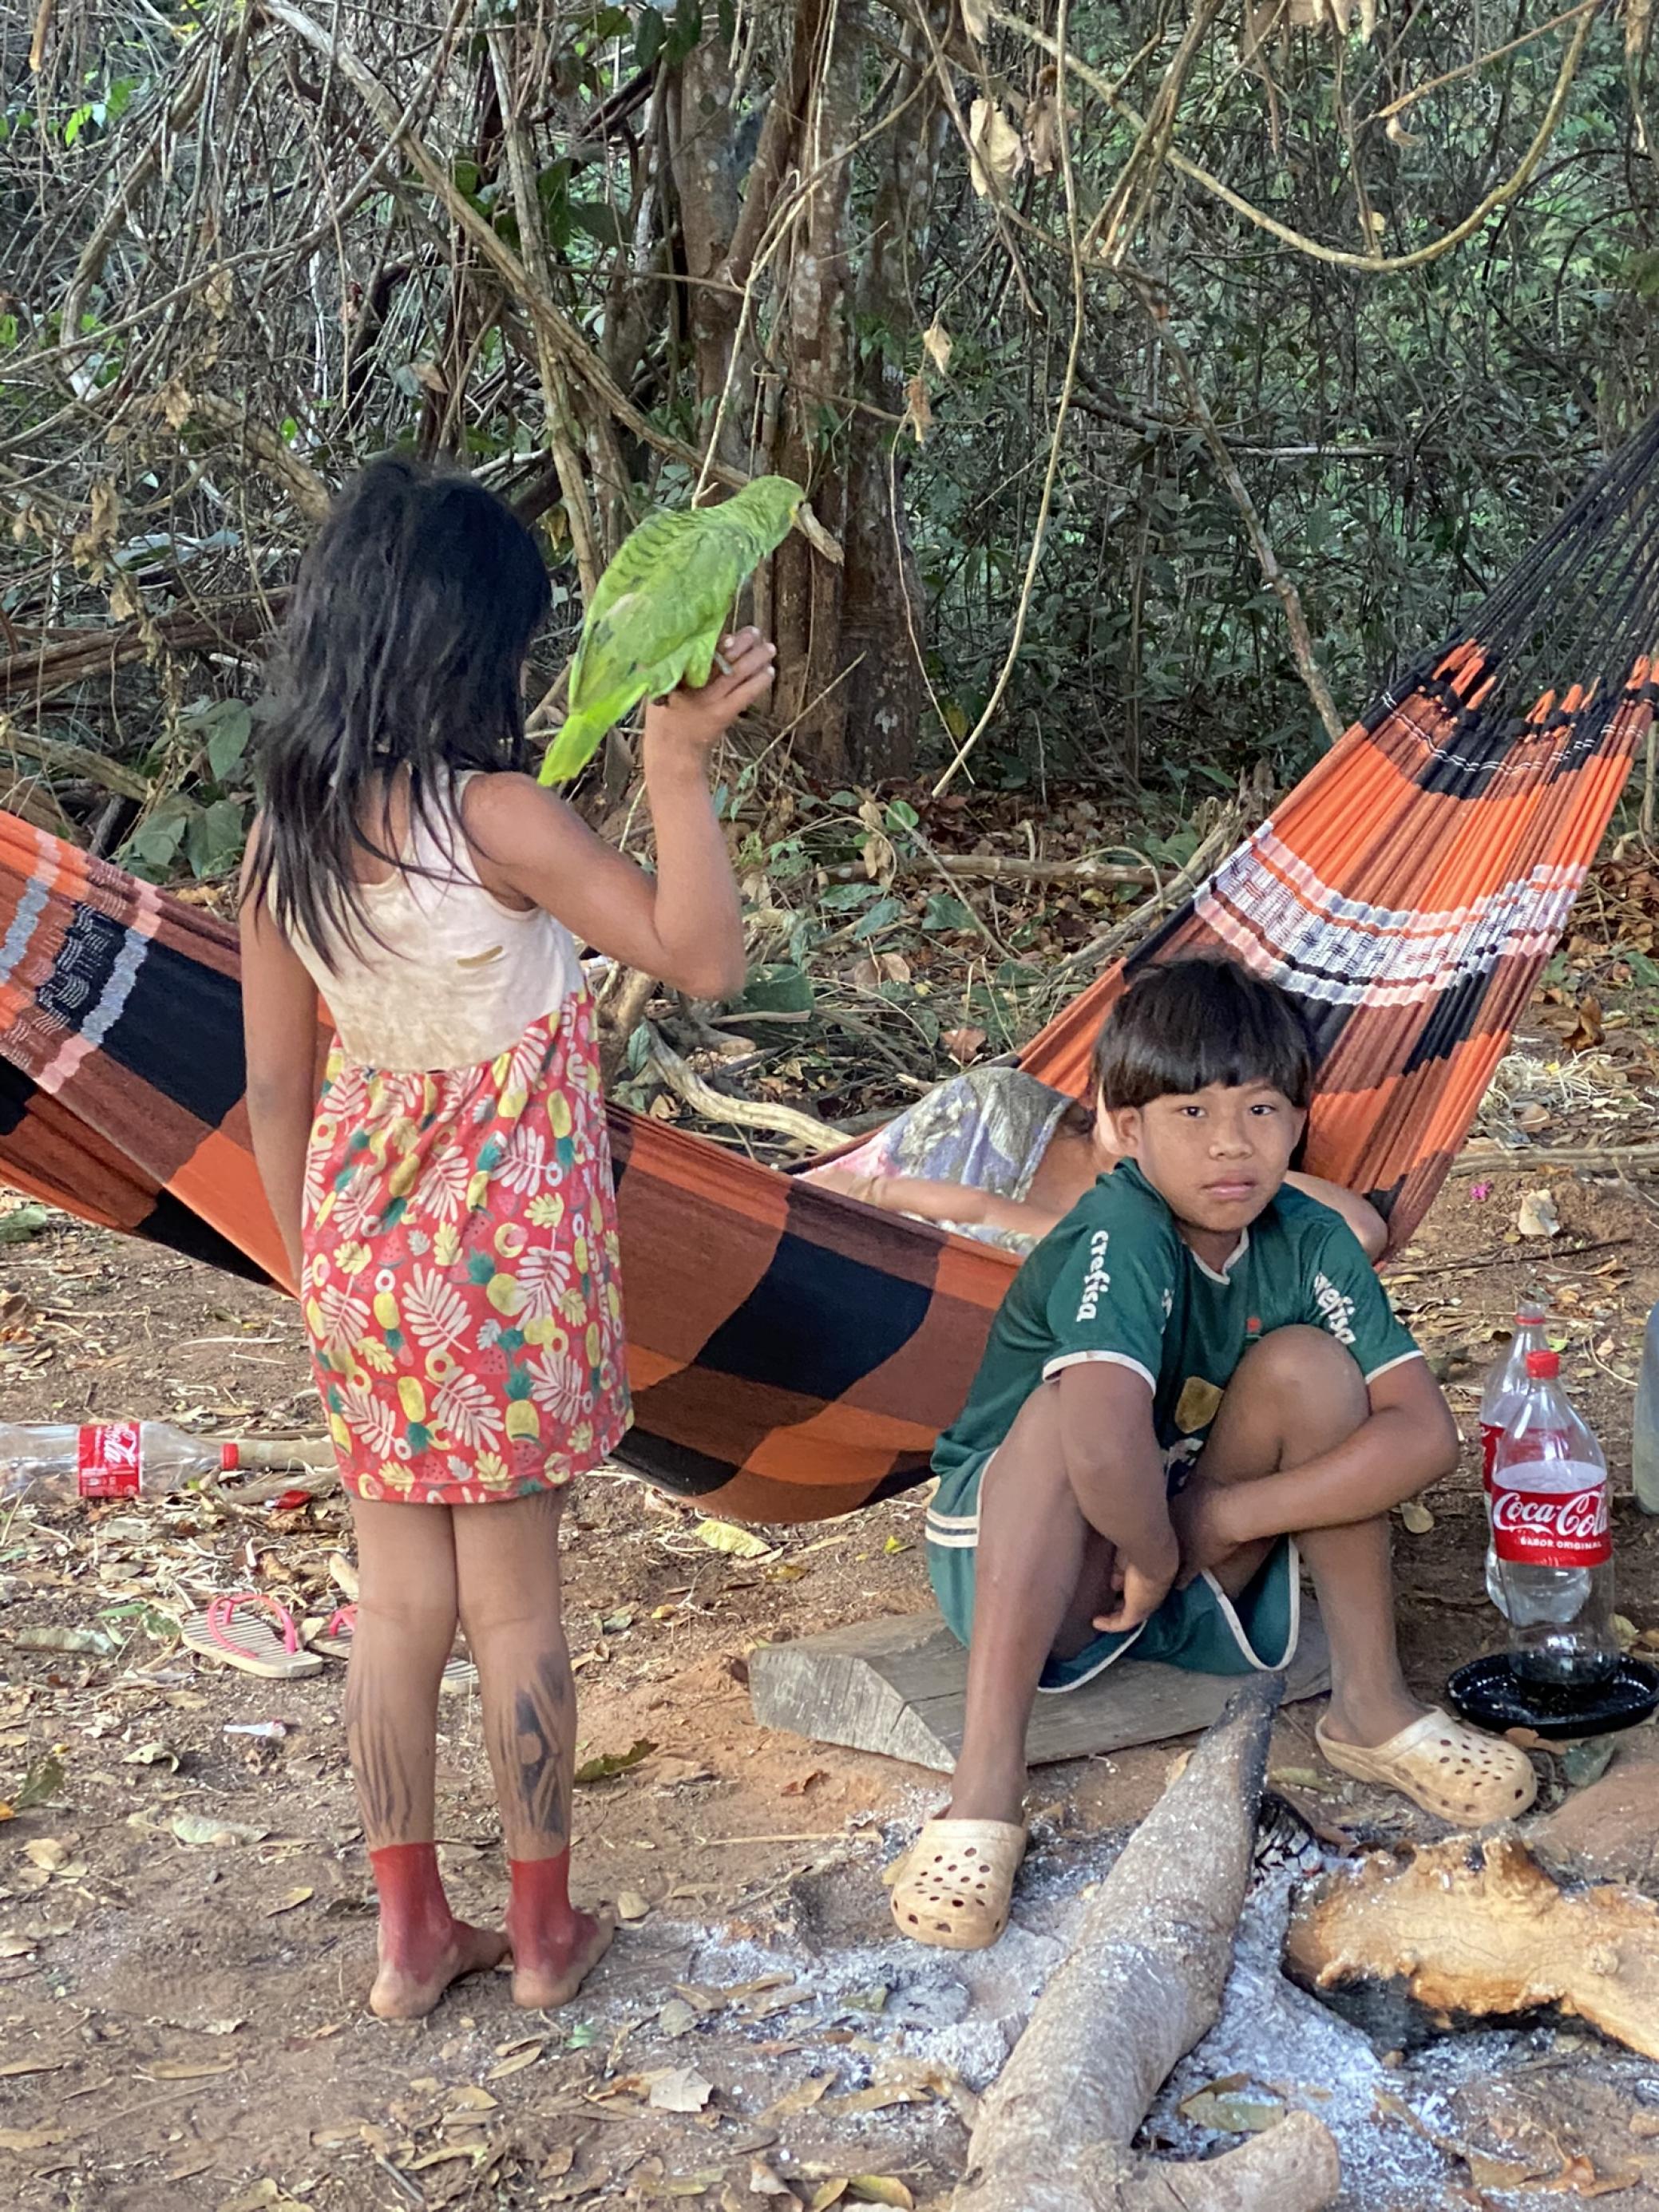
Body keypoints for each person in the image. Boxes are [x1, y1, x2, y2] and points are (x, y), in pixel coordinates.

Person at [240, 457, 769, 2017]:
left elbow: (276, 1085)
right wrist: (677, 765)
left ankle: (411, 1933)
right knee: (518, 1608)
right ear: (470, 646)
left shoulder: (287, 841)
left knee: (396, 1605)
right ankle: (540, 1930)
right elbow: (702, 955)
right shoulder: (497, 817)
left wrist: (312, 1276)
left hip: (356, 1250)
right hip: (507, 1261)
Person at [884, 957, 1535, 1953]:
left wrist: (1214, 1520)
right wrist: (1148, 1550)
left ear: (1297, 1121)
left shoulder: (1308, 1235)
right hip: (1029, 1562)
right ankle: (982, 1788)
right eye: (1190, 1112)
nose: (1231, 1143)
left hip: (1181, 1541)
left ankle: (1370, 1708)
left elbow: (1419, 1432)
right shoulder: (1119, 1227)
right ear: (1126, 1128)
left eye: (1263, 1109)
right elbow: (1100, 1439)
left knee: (1315, 1371)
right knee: (1069, 1404)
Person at [806, 1061, 1387, 1262]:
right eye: (1134, 1077)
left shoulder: (1170, 1227)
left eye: (1182, 1102)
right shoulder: (993, 1110)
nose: (1137, 1110)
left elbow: (1359, 1231)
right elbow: (830, 1194)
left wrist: (1235, 1155)